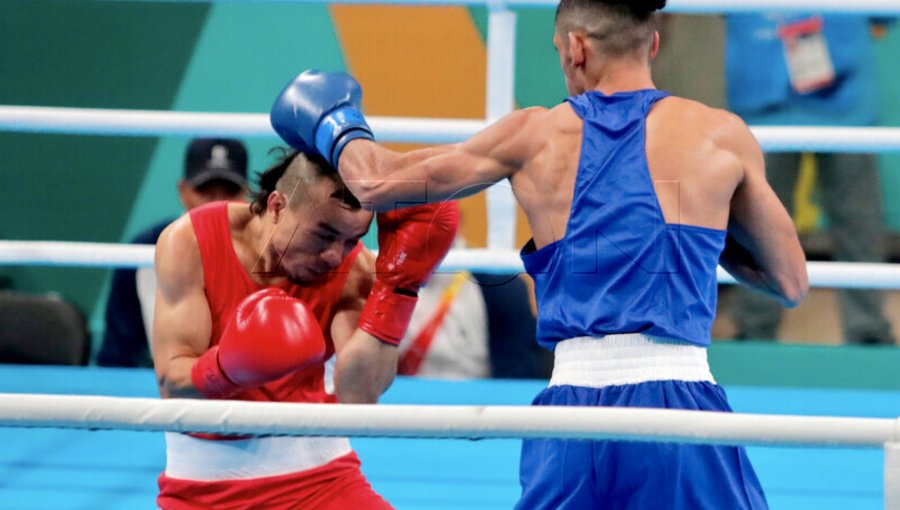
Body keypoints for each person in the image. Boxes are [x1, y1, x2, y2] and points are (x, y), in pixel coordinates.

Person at [269, 0, 808, 507]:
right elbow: (789, 281)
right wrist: (696, 237)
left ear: (576, 48)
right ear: (654, 45)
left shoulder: (535, 135)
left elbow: (377, 182)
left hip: (571, 408)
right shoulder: (721, 135)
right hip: (682, 404)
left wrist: (334, 122)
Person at [151, 149, 457, 509]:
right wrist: (227, 366)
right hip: (205, 488)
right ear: (278, 206)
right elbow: (174, 383)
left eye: (351, 239)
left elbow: (360, 397)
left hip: (323, 478)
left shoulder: (353, 269)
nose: (334, 255)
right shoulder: (191, 242)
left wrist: (398, 290)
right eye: (324, 235)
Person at [725, 14, 895, 345]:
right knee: (752, 227)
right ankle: (753, 332)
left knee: (858, 222)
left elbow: (884, 13)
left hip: (847, 101)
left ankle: (869, 334)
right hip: (762, 102)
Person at [98, 138, 249, 367]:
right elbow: (117, 355)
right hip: (164, 387)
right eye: (205, 191)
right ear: (183, 191)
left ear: (246, 193)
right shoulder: (144, 249)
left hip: (246, 386)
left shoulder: (267, 252)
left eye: (229, 191)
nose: (217, 203)